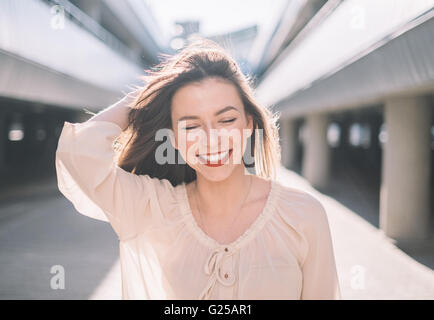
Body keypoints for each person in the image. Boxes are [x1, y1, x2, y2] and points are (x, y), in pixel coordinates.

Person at [55, 38, 341, 300]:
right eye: (191, 125)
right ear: (174, 139)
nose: (211, 138)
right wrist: (150, 93)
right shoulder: (154, 208)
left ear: (249, 124)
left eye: (226, 120)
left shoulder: (302, 214)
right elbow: (79, 154)